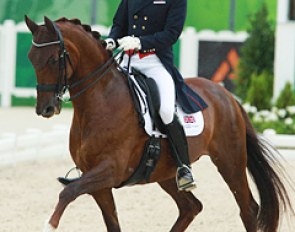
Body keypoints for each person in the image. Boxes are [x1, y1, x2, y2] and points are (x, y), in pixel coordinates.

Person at [105, 0, 207, 191]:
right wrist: (113, 39)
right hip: (127, 60)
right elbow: (119, 23)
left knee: (166, 110)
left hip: (154, 61)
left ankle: (184, 167)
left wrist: (141, 42)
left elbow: (171, 34)